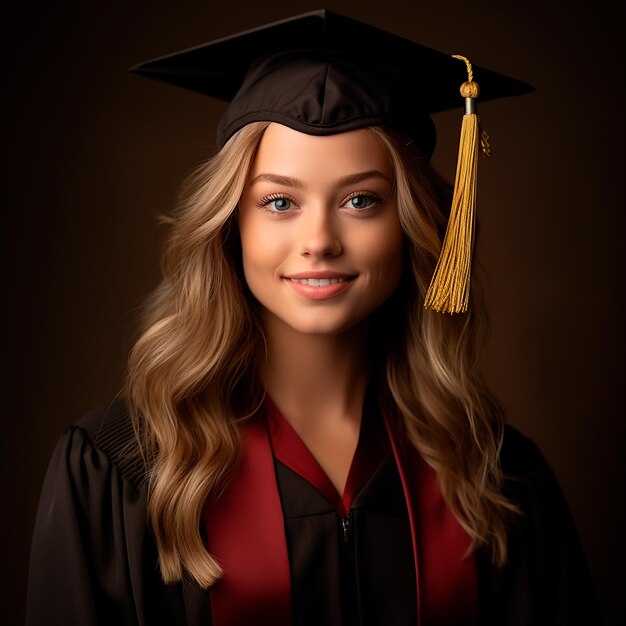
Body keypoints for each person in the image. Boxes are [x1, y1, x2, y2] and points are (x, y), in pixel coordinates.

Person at [26, 9, 599, 626]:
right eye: (279, 202)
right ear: (230, 225)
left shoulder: (496, 474)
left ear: (411, 224)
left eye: (361, 200)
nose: (319, 239)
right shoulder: (123, 468)